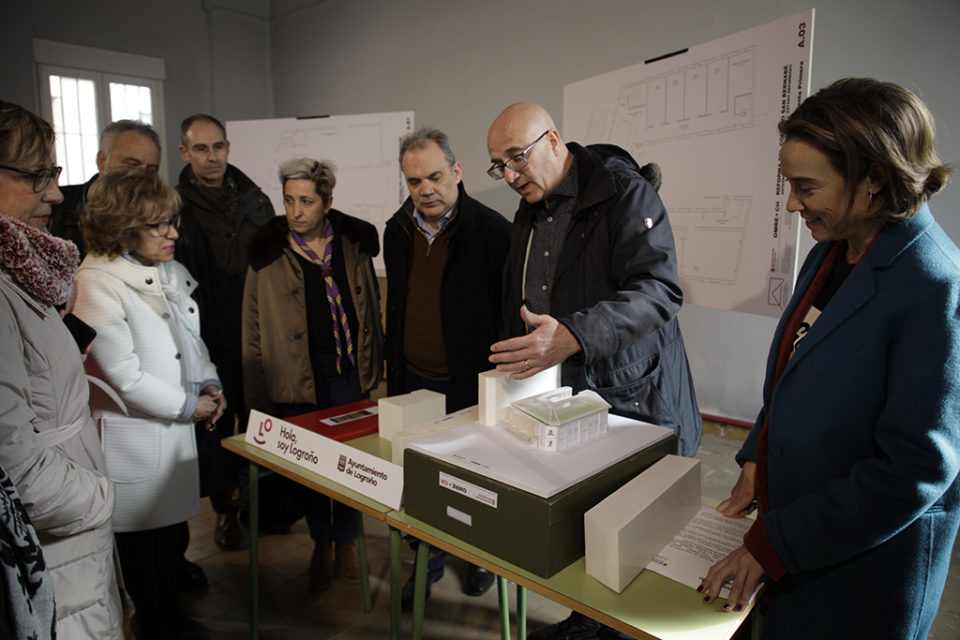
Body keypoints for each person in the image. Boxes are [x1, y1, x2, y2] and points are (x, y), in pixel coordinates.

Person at [698, 78, 960, 639]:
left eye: (806, 187)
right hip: (802, 534)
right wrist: (754, 457)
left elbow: (917, 468)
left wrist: (776, 543)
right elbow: (793, 374)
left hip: (864, 573)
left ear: (874, 179)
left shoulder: (935, 287)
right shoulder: (831, 252)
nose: (793, 204)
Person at [486, 102, 701, 640]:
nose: (510, 176)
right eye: (499, 166)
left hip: (635, 399)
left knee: (636, 540)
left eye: (516, 158)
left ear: (554, 141)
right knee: (590, 528)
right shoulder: (529, 211)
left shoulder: (625, 195)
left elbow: (659, 291)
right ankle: (588, 622)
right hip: (570, 396)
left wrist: (574, 334)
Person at [72, 167, 224, 640]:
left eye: (171, 221)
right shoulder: (96, 282)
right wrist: (188, 406)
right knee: (141, 546)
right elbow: (123, 377)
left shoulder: (164, 269)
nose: (172, 232)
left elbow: (190, 342)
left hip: (172, 432)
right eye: (159, 224)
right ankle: (155, 625)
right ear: (122, 225)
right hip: (134, 441)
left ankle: (171, 618)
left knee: (168, 540)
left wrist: (210, 384)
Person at [0, 100, 122, 638]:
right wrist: (99, 497)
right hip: (58, 539)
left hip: (72, 533)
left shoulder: (28, 269)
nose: (55, 193)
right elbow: (17, 470)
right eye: (37, 176)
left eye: (55, 174)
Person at [242, 157, 383, 591]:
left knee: (352, 464)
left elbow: (371, 312)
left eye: (306, 201)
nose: (296, 211)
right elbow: (252, 327)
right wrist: (258, 396)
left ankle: (347, 541)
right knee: (311, 471)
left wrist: (374, 374)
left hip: (347, 374)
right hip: (295, 379)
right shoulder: (267, 254)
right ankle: (322, 541)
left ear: (327, 202)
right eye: (289, 200)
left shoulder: (352, 245)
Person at [384, 127, 511, 607]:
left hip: (469, 386)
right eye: (414, 181)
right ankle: (429, 563)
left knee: (474, 485)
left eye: (435, 176)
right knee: (420, 485)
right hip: (413, 384)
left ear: (457, 172)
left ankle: (480, 558)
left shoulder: (496, 233)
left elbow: (505, 320)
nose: (426, 190)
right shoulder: (396, 232)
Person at [176, 113, 275, 552]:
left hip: (255, 333)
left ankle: (259, 503)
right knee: (216, 426)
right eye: (201, 148)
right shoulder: (176, 206)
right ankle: (225, 512)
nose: (212, 156)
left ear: (228, 148)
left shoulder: (255, 200)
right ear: (185, 153)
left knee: (258, 420)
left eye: (218, 147)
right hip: (207, 336)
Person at [47, 119, 161, 257]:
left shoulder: (162, 218)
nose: (141, 176)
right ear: (102, 161)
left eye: (151, 170)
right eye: (131, 165)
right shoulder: (57, 207)